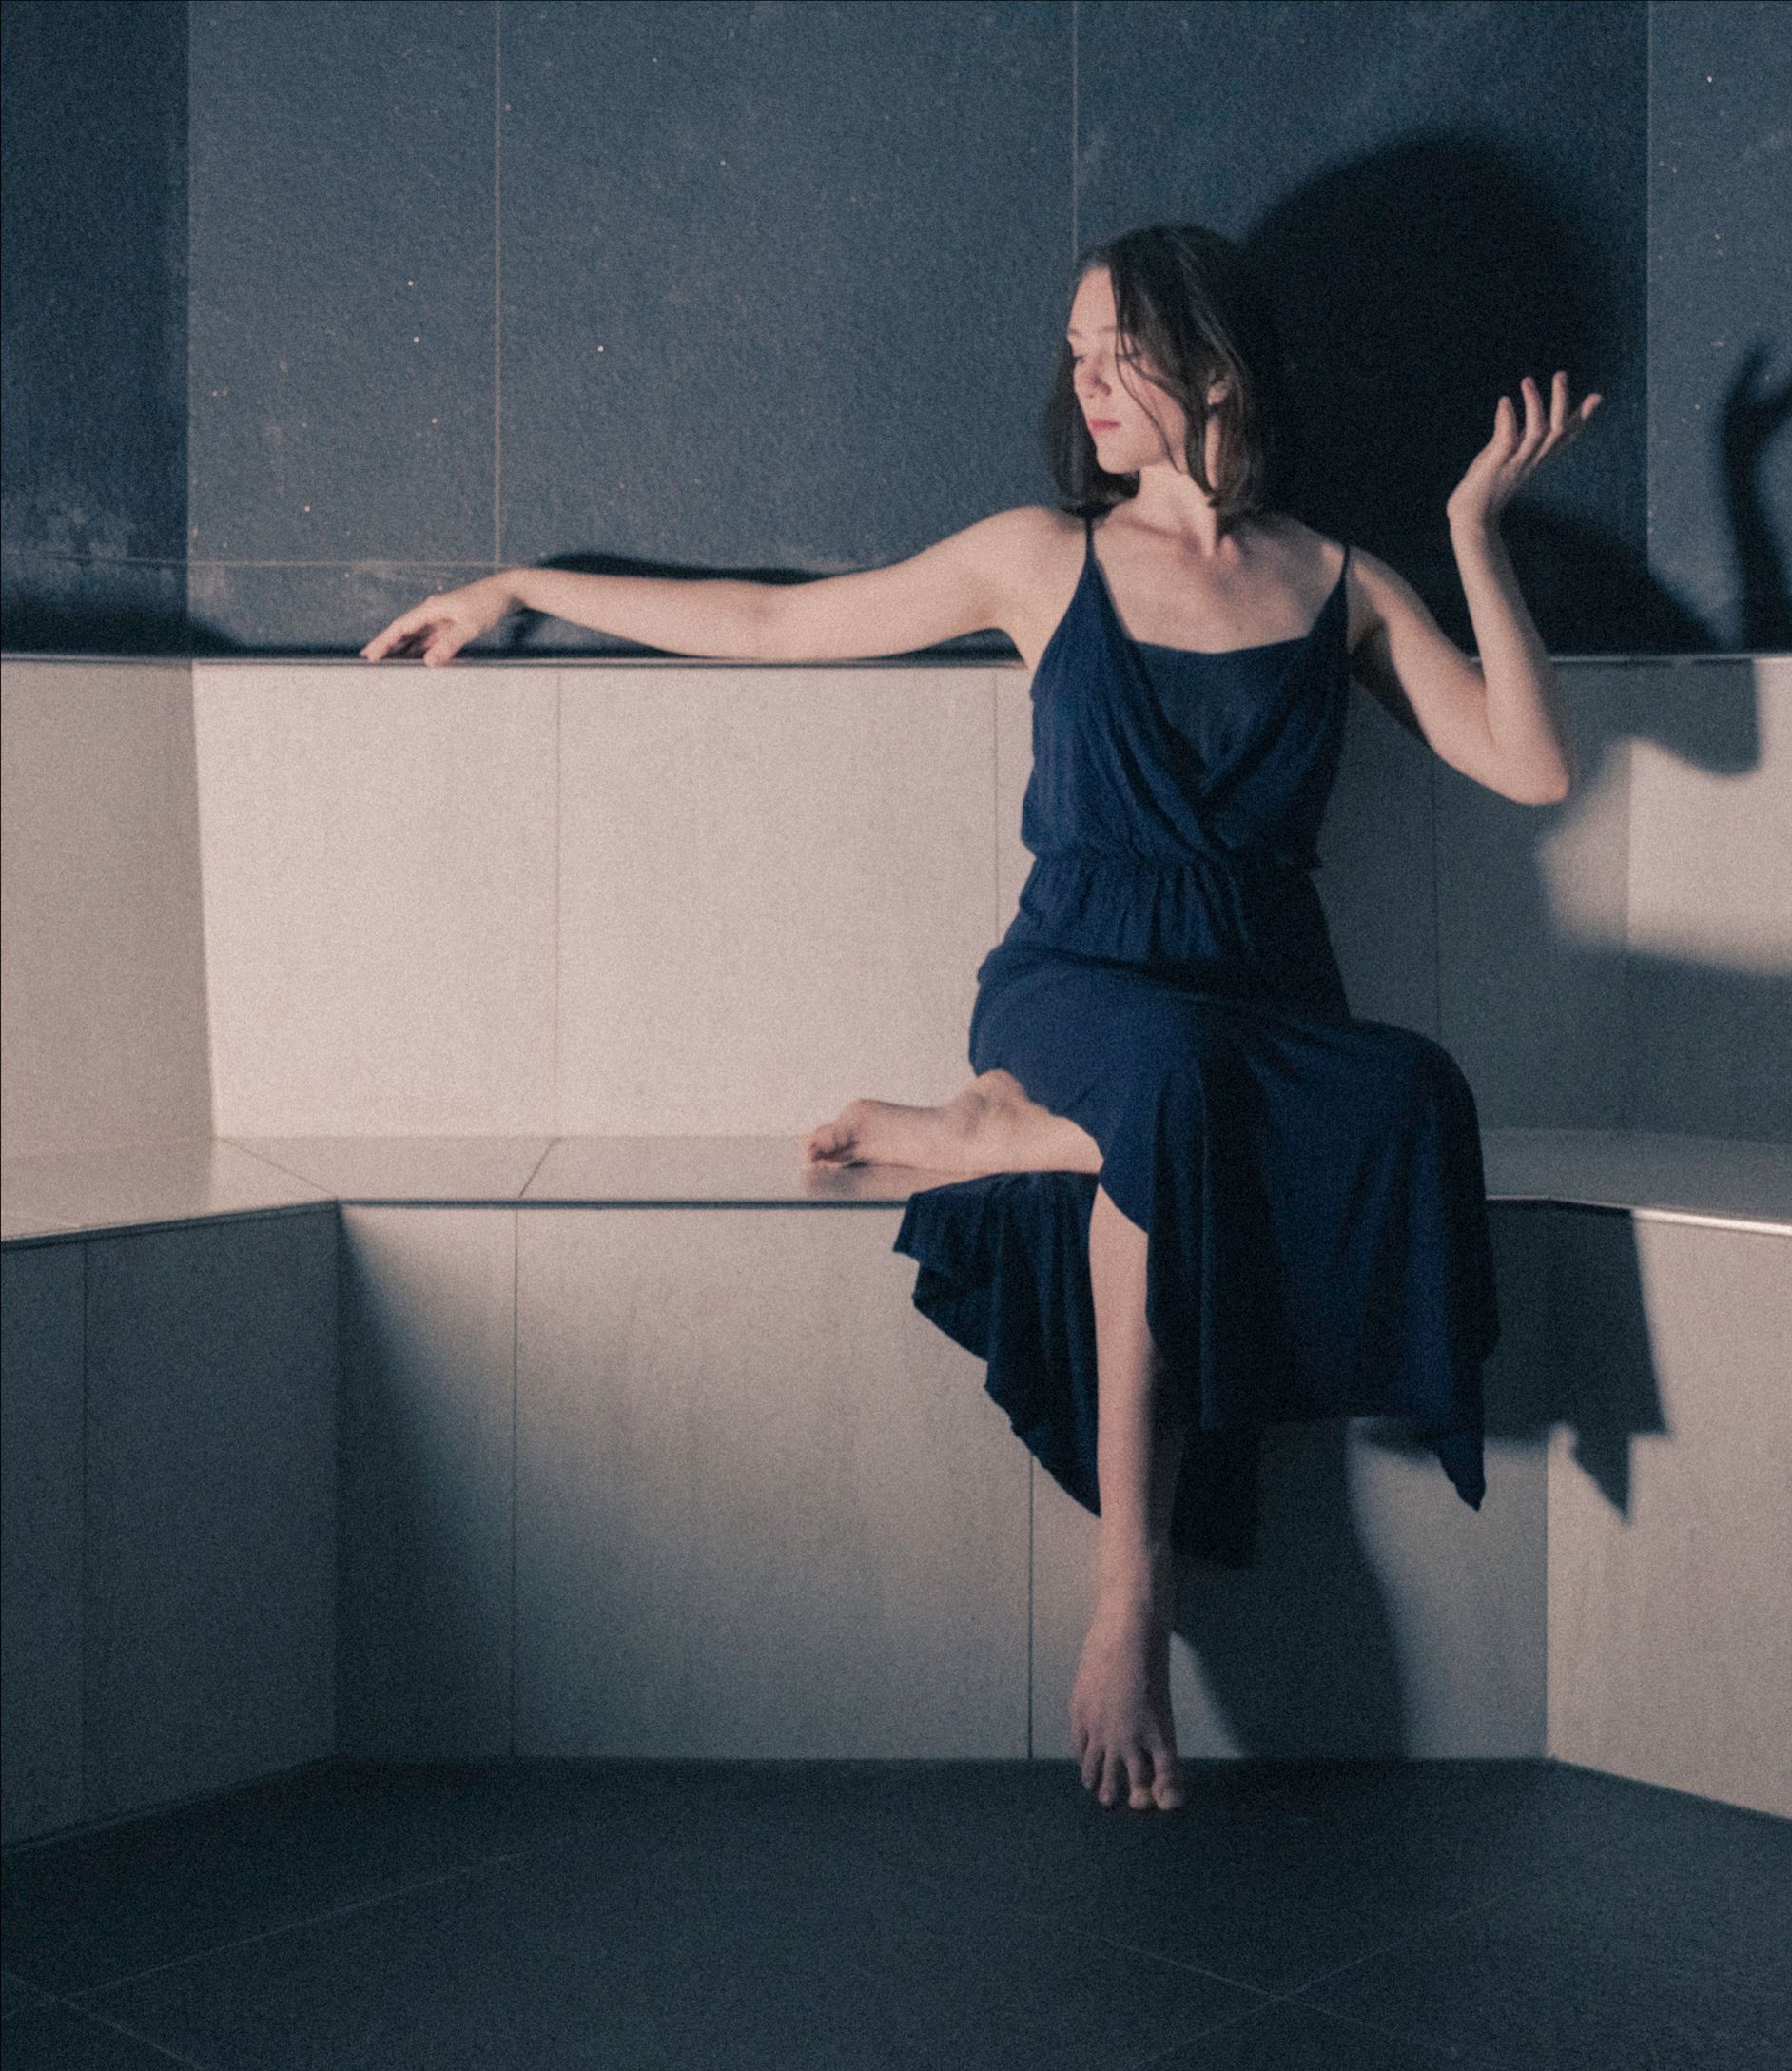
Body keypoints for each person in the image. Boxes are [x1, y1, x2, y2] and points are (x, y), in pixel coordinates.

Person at [361, 223, 1602, 1819]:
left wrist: (1473, 529)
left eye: (1115, 353)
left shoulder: (1340, 581)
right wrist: (517, 585)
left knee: (1418, 1089)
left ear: (1211, 364)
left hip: (1262, 992)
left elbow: (1532, 765)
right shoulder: (1043, 555)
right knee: (1165, 1087)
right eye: (1073, 354)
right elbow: (773, 622)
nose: (1081, 384)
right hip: (1078, 977)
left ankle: (997, 1130)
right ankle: (1127, 1599)